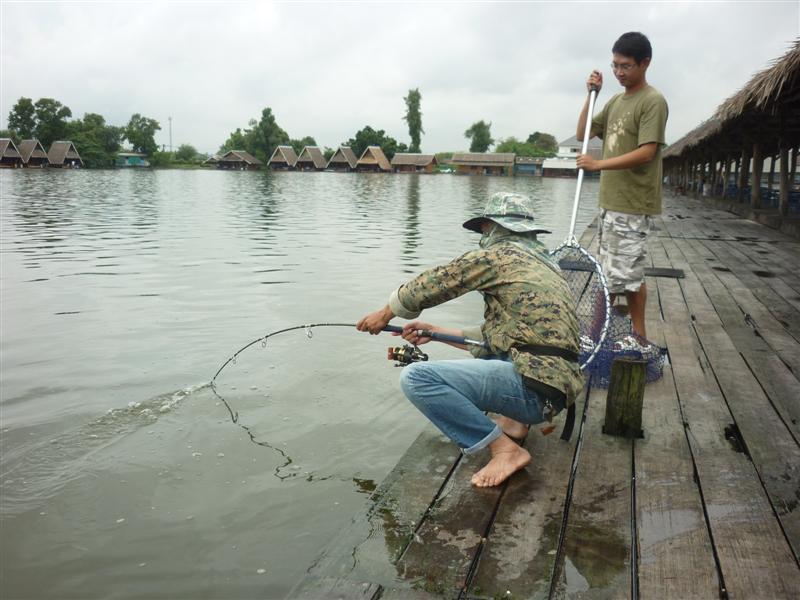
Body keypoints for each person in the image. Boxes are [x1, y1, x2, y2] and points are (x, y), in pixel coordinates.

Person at [357, 193, 583, 488]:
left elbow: (436, 282)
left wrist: (386, 313)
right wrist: (433, 330)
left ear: (493, 227)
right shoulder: (545, 263)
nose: (482, 236)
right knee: (497, 353)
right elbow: (496, 339)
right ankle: (516, 423)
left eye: (484, 229)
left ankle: (505, 450)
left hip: (534, 390)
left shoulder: (500, 255)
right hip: (554, 387)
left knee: (417, 379)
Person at [575, 31, 668, 339]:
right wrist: (592, 95)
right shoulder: (616, 99)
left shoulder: (652, 101)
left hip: (633, 202)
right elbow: (582, 134)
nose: (618, 72)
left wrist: (597, 164)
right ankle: (614, 333)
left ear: (645, 63)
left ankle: (626, 336)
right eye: (614, 65)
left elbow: (647, 152)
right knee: (617, 272)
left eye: (626, 66)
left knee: (622, 277)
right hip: (610, 202)